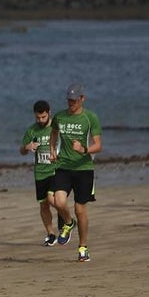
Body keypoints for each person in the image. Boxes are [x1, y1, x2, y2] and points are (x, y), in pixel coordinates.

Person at [49, 84, 102, 262]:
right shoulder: (59, 117)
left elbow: (98, 145)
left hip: (84, 169)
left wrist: (83, 149)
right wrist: (52, 150)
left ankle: (83, 247)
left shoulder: (90, 118)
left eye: (74, 100)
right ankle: (68, 223)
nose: (71, 103)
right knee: (58, 201)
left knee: (80, 209)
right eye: (69, 100)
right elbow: (53, 133)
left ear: (82, 99)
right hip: (63, 165)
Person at [19, 100, 60, 245]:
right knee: (43, 205)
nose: (40, 120)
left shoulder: (56, 128)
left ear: (49, 113)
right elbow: (22, 151)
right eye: (37, 118)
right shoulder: (32, 130)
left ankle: (64, 215)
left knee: (52, 199)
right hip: (40, 172)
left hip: (56, 170)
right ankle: (51, 234)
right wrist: (27, 147)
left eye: (43, 117)